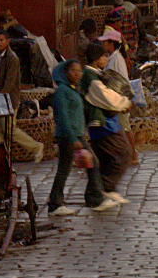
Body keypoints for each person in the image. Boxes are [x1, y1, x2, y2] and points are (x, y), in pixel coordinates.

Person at [48, 59, 109, 215]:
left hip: (77, 134)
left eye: (79, 71)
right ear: (65, 72)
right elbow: (62, 117)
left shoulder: (73, 90)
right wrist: (73, 138)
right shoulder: (62, 91)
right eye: (73, 71)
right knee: (72, 167)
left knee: (77, 166)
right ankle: (59, 204)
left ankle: (91, 198)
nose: (77, 74)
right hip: (68, 136)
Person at [81, 43, 132, 209]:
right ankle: (102, 190)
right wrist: (124, 102)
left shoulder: (94, 75)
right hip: (104, 125)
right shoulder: (90, 77)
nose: (106, 59)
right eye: (104, 56)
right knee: (124, 153)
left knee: (105, 160)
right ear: (96, 59)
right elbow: (106, 97)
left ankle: (99, 192)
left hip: (105, 124)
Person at [0, 31, 45, 163]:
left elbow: (9, 83)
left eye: (1, 40)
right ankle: (1, 158)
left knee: (9, 131)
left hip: (8, 101)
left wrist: (0, 99)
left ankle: (36, 147)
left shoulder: (12, 58)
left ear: (8, 41)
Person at [100, 29, 139, 165]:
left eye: (105, 42)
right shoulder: (114, 57)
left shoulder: (116, 59)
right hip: (117, 99)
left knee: (125, 127)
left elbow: (119, 81)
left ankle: (133, 155)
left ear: (111, 43)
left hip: (120, 99)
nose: (104, 45)